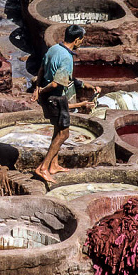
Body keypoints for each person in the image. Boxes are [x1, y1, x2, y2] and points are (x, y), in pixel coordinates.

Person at [30, 25, 101, 183]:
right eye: (81, 40)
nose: (81, 43)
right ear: (76, 40)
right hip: (56, 98)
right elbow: (56, 84)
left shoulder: (54, 48)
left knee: (57, 130)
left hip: (49, 98)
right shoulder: (67, 58)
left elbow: (41, 69)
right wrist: (41, 90)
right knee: (64, 134)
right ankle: (43, 168)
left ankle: (53, 165)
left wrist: (37, 88)